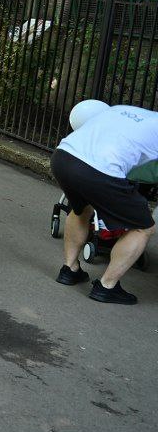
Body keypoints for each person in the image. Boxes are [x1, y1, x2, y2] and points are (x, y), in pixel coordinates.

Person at [52, 99, 158, 304]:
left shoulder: (125, 111)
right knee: (143, 227)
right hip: (99, 170)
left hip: (63, 156)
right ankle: (107, 287)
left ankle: (69, 270)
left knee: (81, 209)